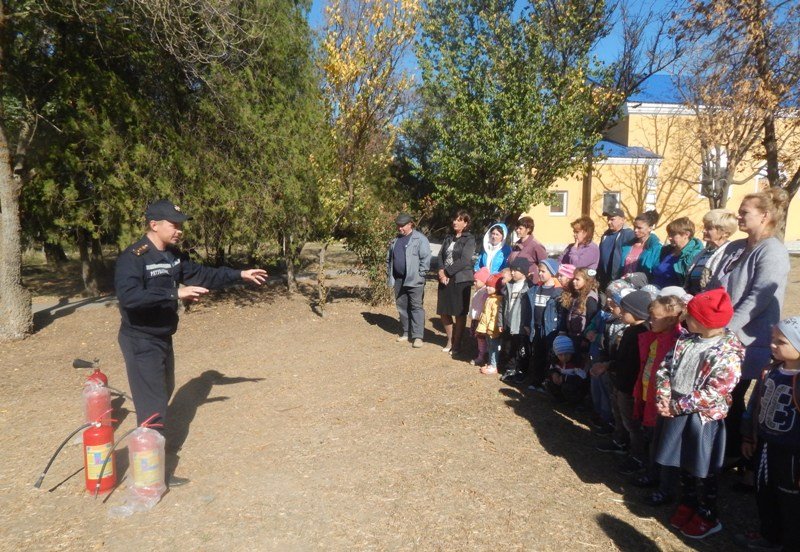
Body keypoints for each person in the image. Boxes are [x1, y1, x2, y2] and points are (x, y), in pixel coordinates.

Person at [115, 200, 267, 485]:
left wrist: (239, 274)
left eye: (181, 225)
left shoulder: (172, 256)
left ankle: (153, 451)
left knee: (162, 394)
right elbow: (130, 297)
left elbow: (203, 274)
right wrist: (174, 293)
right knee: (152, 405)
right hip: (140, 340)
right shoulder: (134, 258)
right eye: (174, 224)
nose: (179, 230)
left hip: (162, 338)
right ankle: (150, 475)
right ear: (154, 224)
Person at [653, 288, 744, 540]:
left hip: (702, 419)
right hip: (677, 411)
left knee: (702, 468)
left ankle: (707, 514)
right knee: (683, 462)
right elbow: (665, 366)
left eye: (689, 315)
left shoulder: (728, 352)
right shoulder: (687, 339)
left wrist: (677, 406)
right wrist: (663, 394)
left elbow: (715, 391)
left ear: (705, 321)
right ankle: (688, 502)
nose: (684, 319)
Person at [710, 188, 791, 465]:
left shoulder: (773, 251)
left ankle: (742, 457)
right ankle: (729, 451)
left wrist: (727, 328)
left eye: (745, 212)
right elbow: (716, 285)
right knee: (724, 396)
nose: (739, 216)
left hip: (750, 339)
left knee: (741, 398)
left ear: (765, 215)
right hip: (721, 335)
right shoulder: (736, 247)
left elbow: (759, 298)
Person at [738, 317, 800, 551]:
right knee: (765, 492)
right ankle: (769, 537)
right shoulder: (770, 371)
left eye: (781, 341)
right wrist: (748, 435)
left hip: (792, 455)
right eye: (773, 339)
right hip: (765, 444)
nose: (773, 345)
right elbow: (755, 406)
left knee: (791, 501)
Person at [632, 294, 687, 505]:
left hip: (664, 404)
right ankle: (652, 473)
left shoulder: (676, 342)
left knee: (665, 447)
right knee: (653, 442)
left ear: (672, 318)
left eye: (655, 317)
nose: (650, 320)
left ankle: (666, 488)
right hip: (649, 395)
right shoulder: (655, 337)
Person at [594, 291, 652, 475]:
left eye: (625, 310)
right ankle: (620, 441)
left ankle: (637, 456)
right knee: (619, 415)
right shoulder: (629, 330)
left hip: (630, 386)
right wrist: (609, 365)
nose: (621, 313)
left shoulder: (643, 334)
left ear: (635, 312)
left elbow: (636, 363)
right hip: (620, 381)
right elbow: (622, 358)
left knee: (632, 423)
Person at [387, 213, 432, 349]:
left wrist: (421, 275)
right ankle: (406, 332)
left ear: (410, 224)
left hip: (414, 280)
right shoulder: (395, 240)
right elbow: (389, 259)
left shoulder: (420, 239)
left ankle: (418, 336)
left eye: (402, 226)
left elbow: (426, 258)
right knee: (402, 307)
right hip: (399, 279)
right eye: (398, 226)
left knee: (416, 307)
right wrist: (390, 273)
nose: (400, 228)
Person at [437, 210, 476, 354]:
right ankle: (449, 340)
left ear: (465, 223)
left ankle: (457, 343)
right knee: (444, 310)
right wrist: (441, 271)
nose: (455, 221)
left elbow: (465, 260)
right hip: (444, 278)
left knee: (459, 313)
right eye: (455, 218)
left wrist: (447, 272)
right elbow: (440, 255)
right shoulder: (448, 237)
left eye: (459, 219)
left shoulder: (469, 239)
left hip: (461, 279)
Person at [524, 259, 564, 392]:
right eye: (539, 271)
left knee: (549, 356)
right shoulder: (535, 289)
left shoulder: (558, 292)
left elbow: (560, 313)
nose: (540, 274)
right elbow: (529, 309)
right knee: (538, 355)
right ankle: (537, 380)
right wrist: (527, 324)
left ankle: (547, 382)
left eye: (543, 271)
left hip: (550, 329)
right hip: (536, 327)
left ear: (552, 273)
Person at [684, 209, 737, 295]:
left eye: (709, 228)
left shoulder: (729, 255)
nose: (703, 231)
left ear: (725, 233)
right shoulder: (703, 253)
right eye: (705, 227)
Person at [498, 257, 531, 384]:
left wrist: (527, 324)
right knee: (508, 348)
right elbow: (502, 306)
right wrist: (501, 322)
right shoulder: (508, 287)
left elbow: (529, 310)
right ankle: (510, 369)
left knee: (521, 349)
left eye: (515, 270)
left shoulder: (528, 288)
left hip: (521, 326)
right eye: (511, 270)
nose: (512, 273)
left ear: (523, 272)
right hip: (508, 324)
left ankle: (521, 370)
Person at [651, 217, 704, 289]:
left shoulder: (695, 255)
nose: (669, 238)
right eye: (669, 234)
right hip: (655, 289)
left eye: (673, 235)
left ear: (686, 234)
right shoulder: (666, 250)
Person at [559, 267, 599, 361]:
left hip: (581, 338)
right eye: (574, 279)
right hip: (571, 336)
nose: (574, 281)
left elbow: (592, 320)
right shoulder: (575, 295)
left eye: (577, 279)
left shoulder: (590, 298)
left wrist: (586, 339)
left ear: (587, 281)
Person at [597, 207, 635, 290]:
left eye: (612, 219)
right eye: (608, 219)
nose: (608, 222)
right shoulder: (605, 235)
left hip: (617, 280)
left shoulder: (629, 235)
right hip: (603, 280)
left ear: (622, 220)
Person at [545, 335, 588, 404]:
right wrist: (554, 374)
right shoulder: (555, 362)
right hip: (561, 385)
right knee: (548, 383)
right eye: (560, 355)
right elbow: (550, 370)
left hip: (575, 388)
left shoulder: (577, 363)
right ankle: (560, 399)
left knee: (567, 387)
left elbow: (582, 379)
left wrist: (565, 378)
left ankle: (575, 402)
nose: (564, 357)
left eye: (567, 354)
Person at [620, 210, 662, 280]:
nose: (635, 230)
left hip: (642, 287)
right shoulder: (627, 246)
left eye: (639, 228)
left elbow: (655, 272)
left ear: (650, 228)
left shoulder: (656, 248)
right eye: (634, 227)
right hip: (624, 286)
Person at [507, 216, 547, 284]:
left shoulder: (536, 245)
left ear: (528, 229)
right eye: (517, 228)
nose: (517, 230)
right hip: (515, 281)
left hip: (529, 283)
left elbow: (544, 265)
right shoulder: (517, 244)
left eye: (520, 228)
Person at [477, 274, 504, 375]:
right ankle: (490, 363)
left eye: (490, 286)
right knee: (490, 346)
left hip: (492, 329)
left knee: (493, 347)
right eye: (487, 285)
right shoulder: (489, 298)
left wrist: (491, 328)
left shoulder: (497, 300)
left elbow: (494, 317)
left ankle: (494, 365)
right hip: (487, 328)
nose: (487, 288)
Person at [468, 267, 491, 366]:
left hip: (482, 320)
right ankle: (481, 353)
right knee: (479, 338)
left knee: (482, 338)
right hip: (476, 318)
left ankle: (483, 355)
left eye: (476, 281)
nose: (474, 283)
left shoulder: (485, 292)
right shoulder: (478, 291)